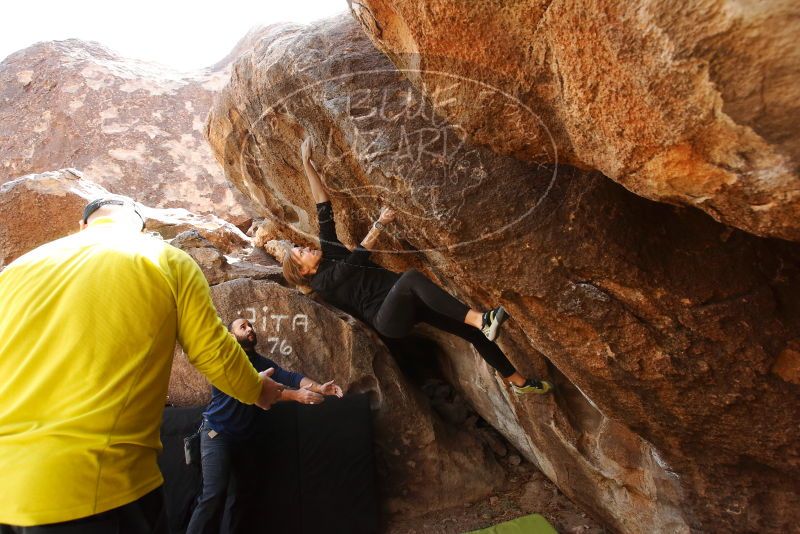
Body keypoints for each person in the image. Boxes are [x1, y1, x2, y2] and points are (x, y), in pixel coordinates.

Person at [0, 196, 284, 533]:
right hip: (93, 485)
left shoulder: (16, 270)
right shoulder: (165, 259)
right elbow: (213, 352)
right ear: (141, 228)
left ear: (83, 225)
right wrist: (256, 389)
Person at [282, 138, 552, 395]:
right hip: (387, 318)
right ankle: (482, 320)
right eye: (301, 253)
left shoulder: (328, 251)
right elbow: (355, 261)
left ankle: (519, 383)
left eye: (301, 247)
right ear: (303, 271)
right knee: (411, 278)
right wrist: (379, 225)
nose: (306, 248)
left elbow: (323, 204)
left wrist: (307, 164)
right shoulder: (322, 283)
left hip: (405, 301)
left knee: (469, 332)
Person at [186, 318, 343, 534]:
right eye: (243, 327)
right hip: (216, 434)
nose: (250, 328)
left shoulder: (261, 363)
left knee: (240, 497)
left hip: (244, 441)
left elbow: (290, 377)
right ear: (231, 336)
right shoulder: (227, 361)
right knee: (214, 494)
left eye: (250, 325)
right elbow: (254, 391)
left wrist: (319, 387)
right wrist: (296, 396)